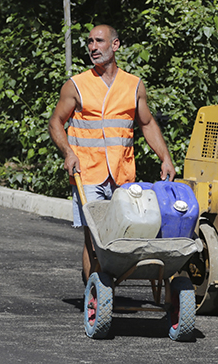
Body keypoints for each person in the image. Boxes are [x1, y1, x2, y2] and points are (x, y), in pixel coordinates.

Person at [48, 24, 176, 281]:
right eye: (89, 42)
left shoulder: (133, 85)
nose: (92, 47)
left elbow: (147, 123)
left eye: (99, 41)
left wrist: (165, 157)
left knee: (126, 233)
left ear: (115, 45)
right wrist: (68, 153)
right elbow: (55, 123)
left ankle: (109, 285)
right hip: (87, 173)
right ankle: (94, 294)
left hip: (122, 174)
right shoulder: (76, 86)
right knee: (94, 237)